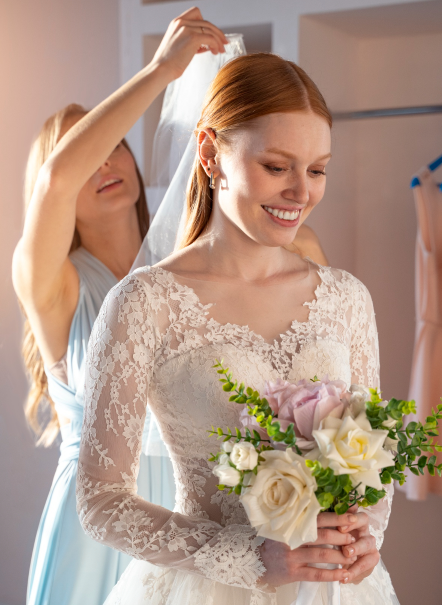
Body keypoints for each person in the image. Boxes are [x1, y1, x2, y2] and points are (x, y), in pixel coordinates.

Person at [74, 8, 398, 604]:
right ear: (209, 154)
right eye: (276, 167)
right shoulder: (146, 303)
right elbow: (99, 503)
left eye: (318, 170)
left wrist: (364, 536)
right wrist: (250, 557)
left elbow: (372, 465)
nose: (301, 193)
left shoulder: (348, 298)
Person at [12, 107, 176, 604]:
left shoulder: (185, 266)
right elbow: (57, 180)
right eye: (87, 158)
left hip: (184, 513)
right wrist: (162, 69)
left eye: (116, 146)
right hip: (94, 531)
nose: (105, 164)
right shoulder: (54, 285)